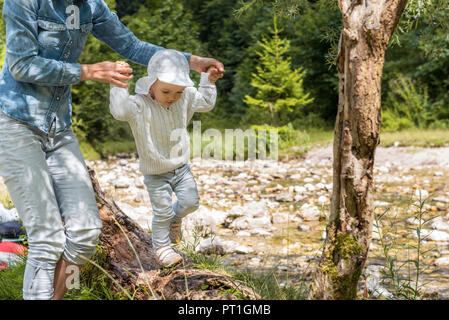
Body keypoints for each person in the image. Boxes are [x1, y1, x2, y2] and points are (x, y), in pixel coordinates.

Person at [0, 0, 224, 300]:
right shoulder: (24, 2)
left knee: (85, 234)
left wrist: (193, 63)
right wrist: (89, 71)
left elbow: (133, 47)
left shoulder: (92, 7)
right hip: (16, 122)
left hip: (59, 127)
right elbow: (22, 65)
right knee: (47, 238)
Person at [109, 50, 219, 267]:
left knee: (191, 203)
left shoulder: (184, 96)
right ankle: (162, 248)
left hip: (181, 167)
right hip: (155, 172)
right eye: (166, 91)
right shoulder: (140, 105)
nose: (172, 97)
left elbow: (205, 102)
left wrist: (207, 79)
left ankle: (175, 220)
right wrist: (118, 84)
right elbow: (120, 111)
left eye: (178, 92)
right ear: (151, 85)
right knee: (162, 211)